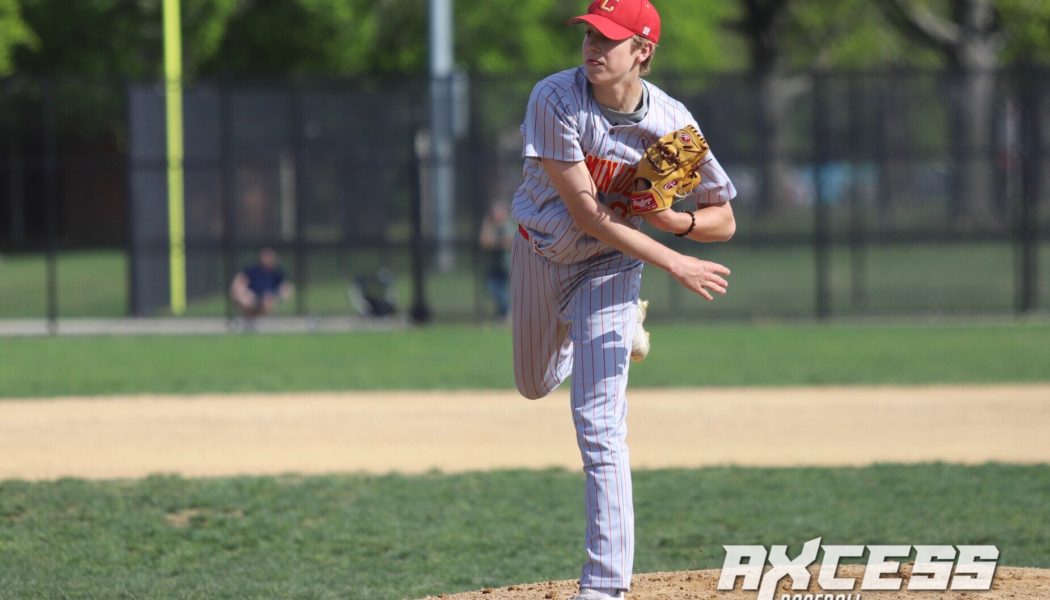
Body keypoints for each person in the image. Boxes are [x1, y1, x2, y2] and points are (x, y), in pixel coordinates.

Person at [510, 2, 737, 599]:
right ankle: (597, 338)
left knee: (599, 424)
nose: (592, 46)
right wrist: (674, 259)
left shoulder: (671, 123)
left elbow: (725, 220)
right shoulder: (556, 99)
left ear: (643, 51)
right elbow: (586, 214)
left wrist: (673, 220)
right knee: (533, 384)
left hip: (612, 268)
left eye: (608, 38)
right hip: (542, 251)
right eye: (589, 33)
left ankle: (604, 589)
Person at [229, 247, 294, 324]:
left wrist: (277, 296)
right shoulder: (252, 270)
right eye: (266, 257)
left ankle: (258, 321)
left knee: (267, 301)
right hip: (252, 297)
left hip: (268, 299)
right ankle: (247, 320)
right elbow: (238, 282)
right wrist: (241, 293)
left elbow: (287, 286)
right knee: (246, 299)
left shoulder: (277, 273)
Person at [478, 201, 514, 319]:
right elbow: (485, 242)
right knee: (491, 287)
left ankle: (506, 312)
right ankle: (505, 311)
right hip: (495, 267)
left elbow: (508, 241)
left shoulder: (508, 225)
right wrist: (486, 224)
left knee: (507, 291)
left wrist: (495, 243)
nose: (496, 215)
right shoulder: (491, 226)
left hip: (507, 265)